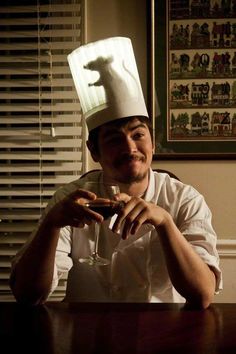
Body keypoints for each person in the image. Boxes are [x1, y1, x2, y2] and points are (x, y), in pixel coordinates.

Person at [10, 37, 222, 307]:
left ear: (153, 144)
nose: (129, 147)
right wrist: (51, 225)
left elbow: (202, 295)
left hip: (165, 334)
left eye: (138, 135)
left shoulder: (184, 200)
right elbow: (29, 296)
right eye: (113, 139)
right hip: (85, 337)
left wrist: (165, 223)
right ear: (94, 151)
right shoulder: (70, 200)